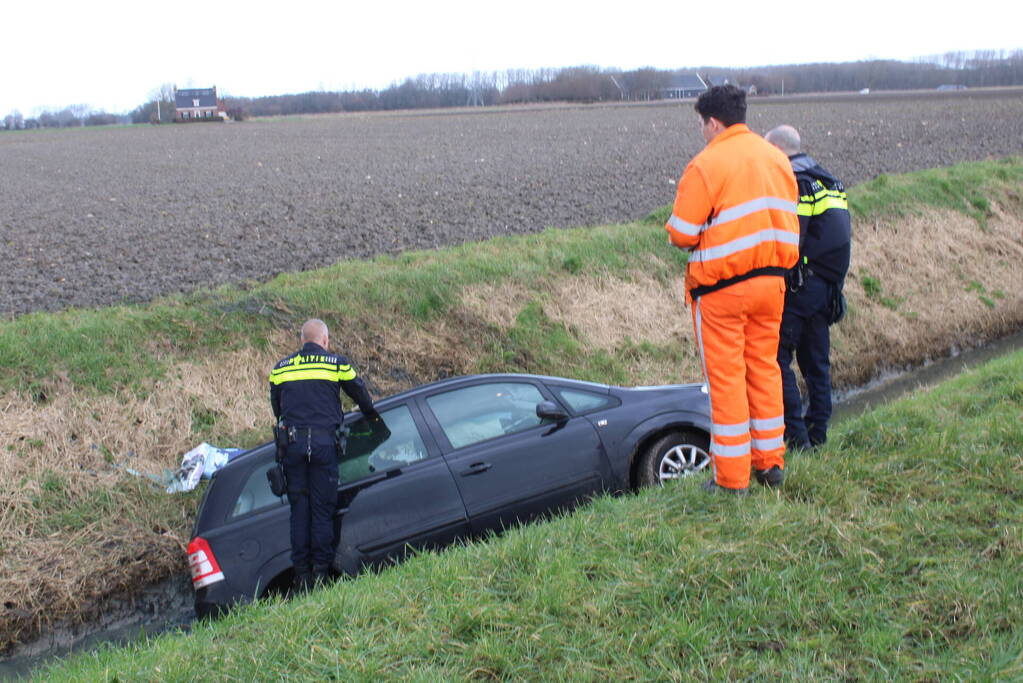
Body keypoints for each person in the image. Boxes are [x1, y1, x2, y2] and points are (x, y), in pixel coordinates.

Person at [665, 85, 800, 493]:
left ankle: (731, 479)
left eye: (702, 125)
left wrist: (674, 228)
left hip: (723, 290)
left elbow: (683, 234)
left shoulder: (707, 164)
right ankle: (770, 463)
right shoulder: (776, 158)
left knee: (726, 380)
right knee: (765, 369)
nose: (702, 133)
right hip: (773, 284)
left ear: (713, 122)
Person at [269, 318, 378, 589]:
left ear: (301, 341)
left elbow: (277, 409)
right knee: (322, 510)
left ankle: (302, 576)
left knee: (299, 512)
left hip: (293, 448)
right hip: (322, 446)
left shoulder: (280, 369)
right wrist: (371, 418)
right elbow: (361, 394)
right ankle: (321, 574)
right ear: (325, 341)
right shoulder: (336, 363)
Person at [765, 125, 852, 450]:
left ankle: (797, 441)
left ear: (777, 150)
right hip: (827, 287)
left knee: (777, 360)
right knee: (816, 364)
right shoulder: (828, 179)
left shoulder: (795, 181)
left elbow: (791, 240)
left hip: (801, 287)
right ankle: (819, 436)